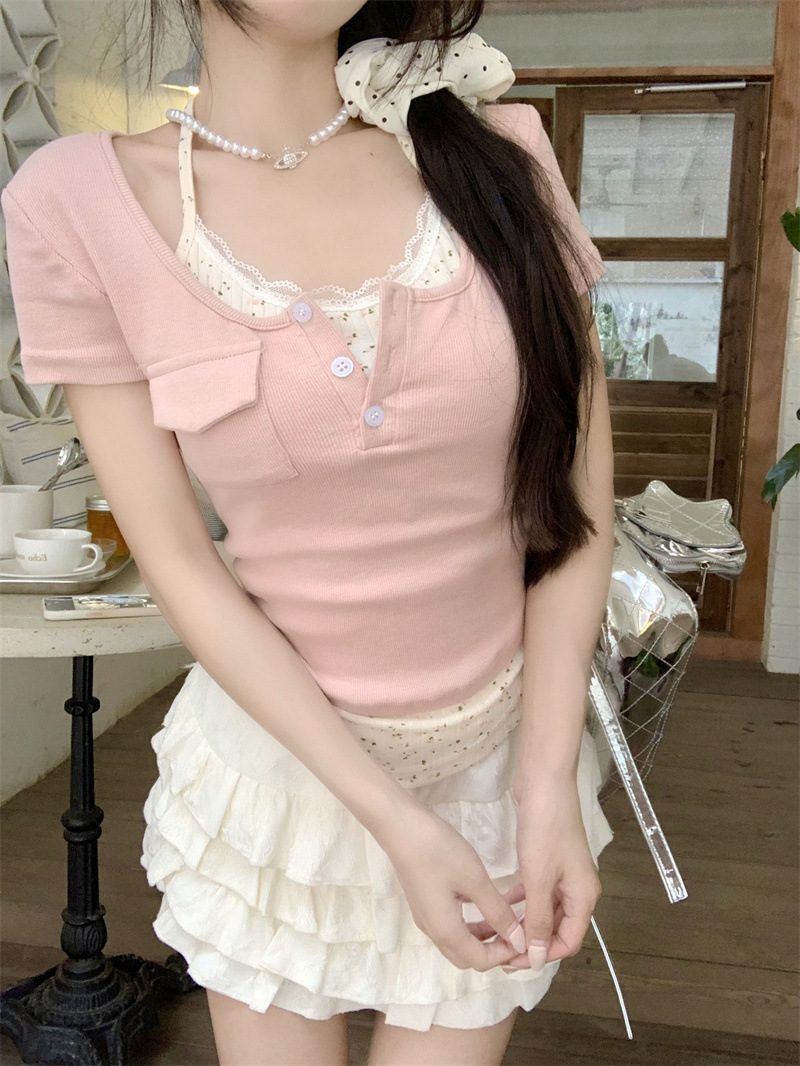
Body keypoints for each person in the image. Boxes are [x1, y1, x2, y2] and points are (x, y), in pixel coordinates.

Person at [2, 1, 620, 1063]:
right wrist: (393, 818)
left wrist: (544, 781)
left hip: (500, 769)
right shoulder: (75, 203)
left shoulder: (498, 155)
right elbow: (179, 561)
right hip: (280, 783)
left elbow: (573, 509)